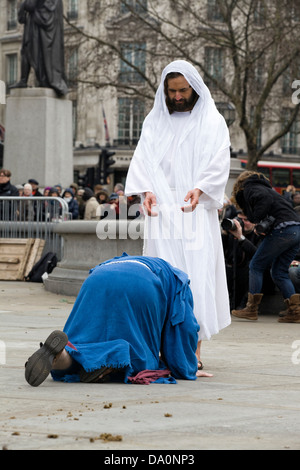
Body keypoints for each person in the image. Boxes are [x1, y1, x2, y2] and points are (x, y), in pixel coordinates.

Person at [125, 60, 231, 370]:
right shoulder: (154, 121)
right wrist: (146, 191)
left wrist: (201, 189)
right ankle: (163, 350)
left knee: (196, 279)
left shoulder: (212, 121)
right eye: (172, 91)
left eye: (183, 90)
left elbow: (218, 160)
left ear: (194, 87)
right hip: (162, 213)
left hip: (195, 210)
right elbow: (143, 158)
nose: (178, 96)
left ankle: (193, 354)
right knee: (163, 279)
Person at [24, 254, 212, 388]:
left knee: (83, 339)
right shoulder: (180, 279)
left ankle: (63, 356)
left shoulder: (129, 260)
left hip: (97, 278)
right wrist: (188, 366)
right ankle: (114, 362)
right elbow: (185, 327)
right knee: (140, 356)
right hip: (141, 283)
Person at [231, 171, 300, 323]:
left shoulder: (250, 188)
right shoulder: (267, 189)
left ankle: (251, 309)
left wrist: (255, 219)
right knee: (279, 272)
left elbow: (264, 201)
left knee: (256, 265)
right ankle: (295, 311)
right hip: (296, 229)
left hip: (283, 229)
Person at [11, 0, 68, 96]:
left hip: (37, 21)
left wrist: (22, 6)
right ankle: (40, 78)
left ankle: (24, 80)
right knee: (38, 52)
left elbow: (31, 5)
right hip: (48, 21)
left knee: (27, 49)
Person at [222, 209, 263, 310]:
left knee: (249, 271)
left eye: (247, 220)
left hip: (248, 270)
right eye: (240, 219)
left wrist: (241, 237)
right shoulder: (231, 232)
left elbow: (256, 254)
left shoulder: (259, 234)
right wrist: (224, 234)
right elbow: (221, 252)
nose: (242, 223)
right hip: (231, 267)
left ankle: (244, 305)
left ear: (255, 223)